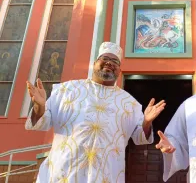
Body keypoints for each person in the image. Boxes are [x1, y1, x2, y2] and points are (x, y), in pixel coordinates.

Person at [25, 42, 166, 183]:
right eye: (105, 59)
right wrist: (39, 106)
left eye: (115, 61)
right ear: (94, 63)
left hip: (106, 175)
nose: (109, 63)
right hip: (63, 172)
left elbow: (139, 137)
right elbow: (43, 122)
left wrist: (147, 121)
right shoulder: (66, 90)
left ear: (119, 70)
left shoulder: (129, 103)